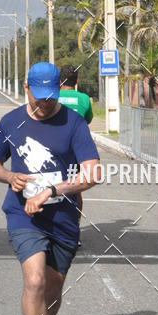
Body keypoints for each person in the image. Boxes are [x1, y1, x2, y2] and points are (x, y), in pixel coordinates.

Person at [0, 62, 100, 315]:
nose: (46, 102)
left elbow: (92, 173)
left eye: (52, 95)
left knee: (52, 293)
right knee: (34, 279)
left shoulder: (73, 123)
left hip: (64, 218)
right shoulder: (11, 121)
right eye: (40, 96)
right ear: (26, 87)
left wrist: (54, 190)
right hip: (23, 215)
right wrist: (9, 177)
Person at [59, 64, 93, 223]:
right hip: (76, 151)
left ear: (60, 81)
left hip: (54, 148)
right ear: (76, 80)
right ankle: (75, 227)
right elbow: (88, 120)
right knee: (75, 189)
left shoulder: (53, 96)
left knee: (51, 186)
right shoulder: (84, 99)